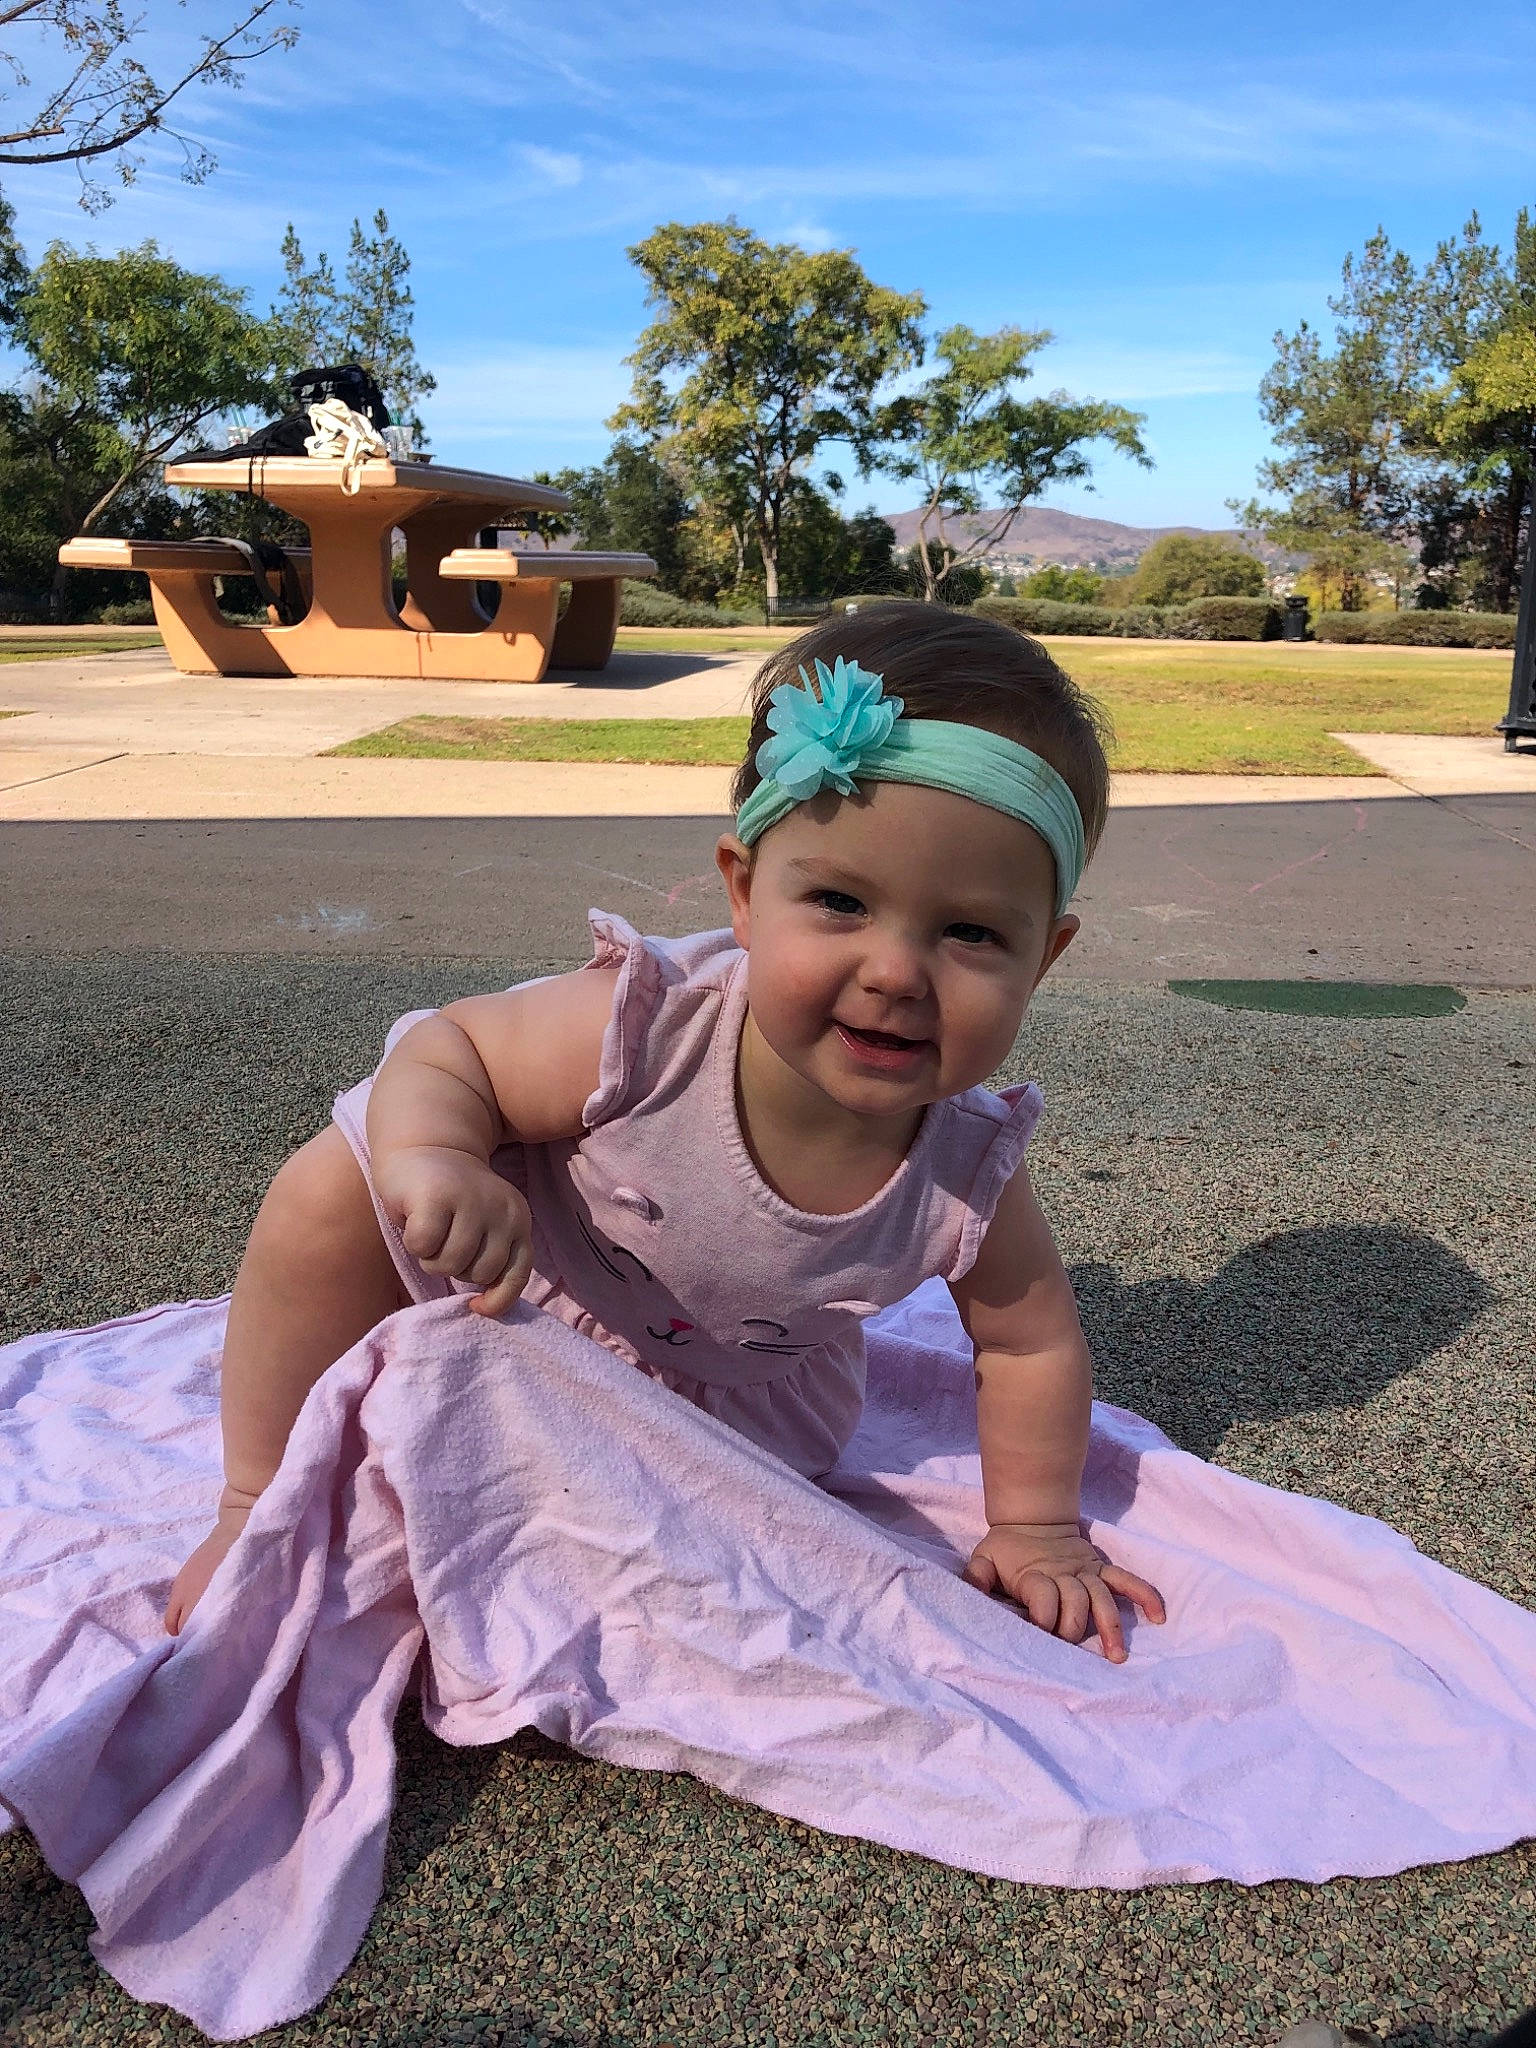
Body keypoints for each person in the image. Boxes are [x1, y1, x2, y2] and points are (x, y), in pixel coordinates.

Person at [164, 604, 1166, 1656]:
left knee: (657, 1588)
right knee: (329, 1185)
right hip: (509, 1297)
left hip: (743, 1420)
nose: (894, 972)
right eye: (838, 901)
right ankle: (251, 1499)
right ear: (745, 892)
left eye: (970, 932)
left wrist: (1038, 1525)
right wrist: (439, 1157)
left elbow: (1028, 1340)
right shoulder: (656, 1025)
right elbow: (453, 1048)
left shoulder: (967, 1167)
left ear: (1043, 957)